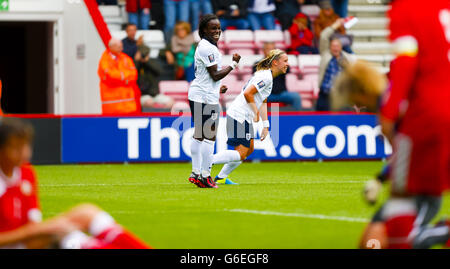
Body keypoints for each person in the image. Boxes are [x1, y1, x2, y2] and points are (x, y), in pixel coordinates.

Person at [358, 0, 450, 249]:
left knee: (402, 196)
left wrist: (388, 110)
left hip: (431, 113)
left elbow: (406, 60)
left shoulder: (407, 9)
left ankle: (436, 233)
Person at [0, 118, 150, 249]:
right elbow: (30, 231)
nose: (24, 153)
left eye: (25, 146)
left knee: (86, 212)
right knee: (64, 233)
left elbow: (32, 223)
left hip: (26, 241)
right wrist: (40, 231)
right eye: (15, 147)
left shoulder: (26, 173)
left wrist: (42, 229)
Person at [211, 49, 289, 184]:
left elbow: (263, 101)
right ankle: (207, 162)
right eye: (285, 61)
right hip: (239, 114)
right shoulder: (265, 77)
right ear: (275, 62)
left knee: (249, 149)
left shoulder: (267, 76)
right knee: (241, 152)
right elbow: (248, 94)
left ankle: (221, 177)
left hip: (242, 115)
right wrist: (255, 111)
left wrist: (266, 125)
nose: (288, 64)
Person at [187, 14, 241, 189]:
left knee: (199, 135)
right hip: (203, 97)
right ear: (204, 30)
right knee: (209, 137)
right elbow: (215, 74)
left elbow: (207, 77)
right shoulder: (207, 48)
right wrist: (233, 64)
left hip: (199, 93)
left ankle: (196, 173)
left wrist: (217, 88)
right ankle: (205, 175)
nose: (217, 31)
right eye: (213, 28)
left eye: (218, 28)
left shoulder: (205, 45)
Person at [316, 18, 355, 111]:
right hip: (324, 95)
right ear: (330, 47)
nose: (335, 48)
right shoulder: (326, 54)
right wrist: (335, 25)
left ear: (341, 47)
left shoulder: (348, 58)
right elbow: (324, 36)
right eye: (333, 46)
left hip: (340, 96)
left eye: (337, 46)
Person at [253, 42, 302, 110]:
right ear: (263, 50)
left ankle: (297, 119)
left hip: (281, 93)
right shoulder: (258, 64)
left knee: (296, 97)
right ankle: (257, 120)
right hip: (265, 94)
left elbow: (288, 69)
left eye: (272, 49)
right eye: (268, 49)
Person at [98, 38, 139, 114]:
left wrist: (121, 77)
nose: (122, 49)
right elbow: (109, 76)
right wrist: (125, 77)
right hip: (112, 107)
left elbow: (134, 75)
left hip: (128, 106)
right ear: (112, 47)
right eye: (119, 47)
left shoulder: (126, 58)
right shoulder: (105, 59)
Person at [135, 42, 174, 110]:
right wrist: (136, 60)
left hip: (155, 94)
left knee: (170, 102)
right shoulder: (135, 64)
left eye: (146, 53)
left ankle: (162, 118)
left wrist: (147, 61)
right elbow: (131, 73)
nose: (144, 55)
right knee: (149, 102)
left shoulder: (152, 62)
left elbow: (160, 71)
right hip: (143, 95)